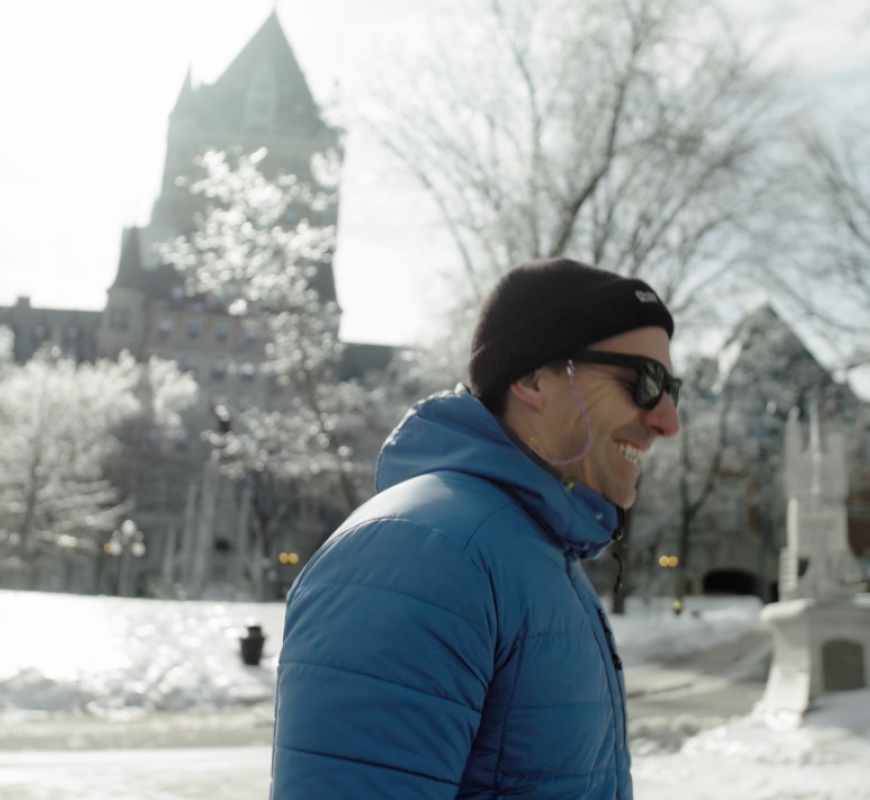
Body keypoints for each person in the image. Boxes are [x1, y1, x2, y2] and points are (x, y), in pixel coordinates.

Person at [270, 258, 682, 799]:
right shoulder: (423, 551)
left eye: (673, 388)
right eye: (642, 383)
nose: (667, 420)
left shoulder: (538, 554)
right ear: (532, 379)